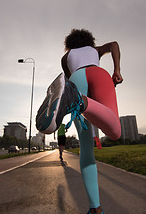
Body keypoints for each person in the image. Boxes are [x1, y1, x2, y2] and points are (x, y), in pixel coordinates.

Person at [36, 29, 123, 214]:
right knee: (115, 131)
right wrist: (116, 69)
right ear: (89, 41)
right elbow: (114, 44)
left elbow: (65, 83)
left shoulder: (65, 58)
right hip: (99, 75)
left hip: (75, 80)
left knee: (86, 148)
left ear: (69, 44)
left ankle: (95, 208)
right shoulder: (95, 50)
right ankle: (82, 101)